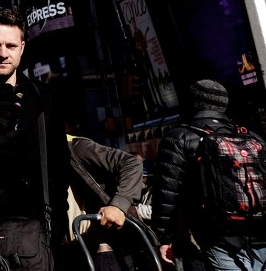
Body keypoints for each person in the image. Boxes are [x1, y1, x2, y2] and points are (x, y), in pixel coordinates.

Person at [0, 7, 69, 270]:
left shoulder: (42, 96)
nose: (3, 54)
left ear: (22, 47)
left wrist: (57, 228)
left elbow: (59, 164)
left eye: (11, 45)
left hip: (37, 232)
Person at [150, 79, 266, 270]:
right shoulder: (249, 136)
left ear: (191, 103)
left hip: (218, 236)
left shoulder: (180, 136)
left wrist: (164, 238)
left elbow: (166, 194)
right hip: (260, 230)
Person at [64, 133, 145, 270]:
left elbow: (131, 162)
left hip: (100, 253)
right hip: (65, 255)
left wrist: (118, 205)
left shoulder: (74, 147)